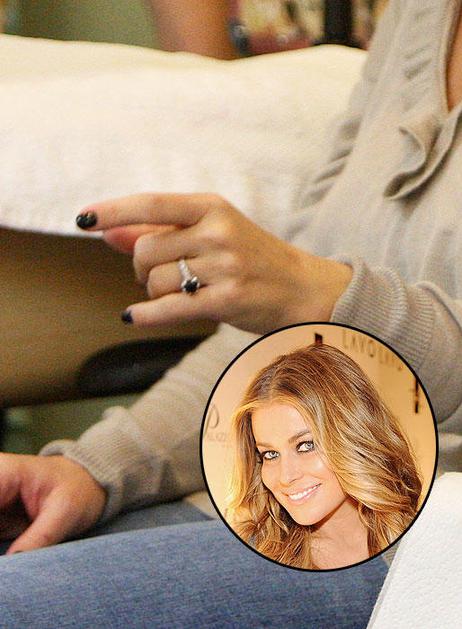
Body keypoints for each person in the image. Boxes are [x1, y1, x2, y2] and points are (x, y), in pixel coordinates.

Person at [0, 0, 461, 625]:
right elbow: (279, 336)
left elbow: (310, 301)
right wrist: (91, 470)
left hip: (427, 537)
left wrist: (322, 293)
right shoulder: (421, 14)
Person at [226, 344, 422, 570]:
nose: (286, 477)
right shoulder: (252, 556)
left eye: (306, 445)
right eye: (270, 454)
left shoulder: (422, 536)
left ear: (355, 437)